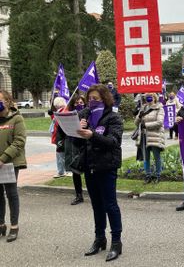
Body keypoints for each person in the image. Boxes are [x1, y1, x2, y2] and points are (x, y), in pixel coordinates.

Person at [73, 84, 124, 261]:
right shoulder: (84, 115)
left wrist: (92, 135)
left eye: (95, 98)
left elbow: (113, 141)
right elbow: (78, 144)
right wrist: (78, 133)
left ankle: (116, 242)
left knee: (110, 205)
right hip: (90, 166)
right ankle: (99, 238)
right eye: (90, 99)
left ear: (104, 98)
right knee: (96, 205)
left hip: (106, 167)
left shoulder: (113, 117)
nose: (91, 102)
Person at [0, 90, 26, 243]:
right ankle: (1, 224)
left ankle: (14, 226)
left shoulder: (17, 119)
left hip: (10, 163)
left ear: (8, 101)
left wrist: (3, 159)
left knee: (11, 193)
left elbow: (19, 142)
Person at [135, 93, 166, 184]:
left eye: (151, 97)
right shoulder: (143, 108)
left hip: (154, 135)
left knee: (156, 157)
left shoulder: (159, 108)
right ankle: (147, 176)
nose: (149, 98)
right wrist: (139, 116)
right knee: (146, 158)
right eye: (147, 97)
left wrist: (146, 125)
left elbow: (159, 122)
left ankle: (158, 175)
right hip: (144, 136)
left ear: (155, 98)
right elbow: (136, 123)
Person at [65, 94, 87, 205]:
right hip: (74, 145)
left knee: (89, 172)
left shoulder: (89, 114)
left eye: (81, 103)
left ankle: (94, 194)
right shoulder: (69, 115)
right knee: (75, 171)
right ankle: (79, 195)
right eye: (76, 103)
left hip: (86, 145)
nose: (79, 105)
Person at [52, 97, 69, 178]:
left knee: (60, 154)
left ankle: (62, 171)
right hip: (59, 136)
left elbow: (59, 123)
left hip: (61, 136)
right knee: (61, 154)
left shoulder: (63, 111)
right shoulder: (60, 111)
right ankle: (62, 171)